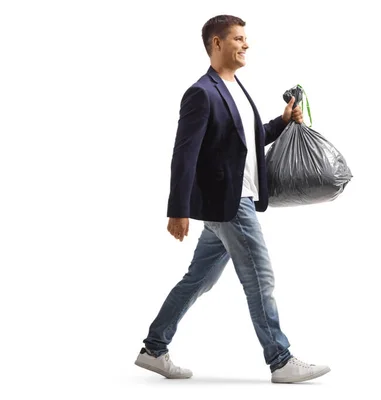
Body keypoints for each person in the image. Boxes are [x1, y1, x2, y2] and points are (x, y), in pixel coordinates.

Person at [134, 15, 331, 384]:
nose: (245, 45)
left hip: (232, 201)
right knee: (261, 278)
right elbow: (184, 154)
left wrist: (282, 121)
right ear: (216, 43)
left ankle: (154, 349)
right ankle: (281, 360)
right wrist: (178, 210)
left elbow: (245, 141)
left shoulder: (236, 87)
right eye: (238, 39)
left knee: (197, 280)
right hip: (231, 202)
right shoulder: (201, 92)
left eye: (245, 39)